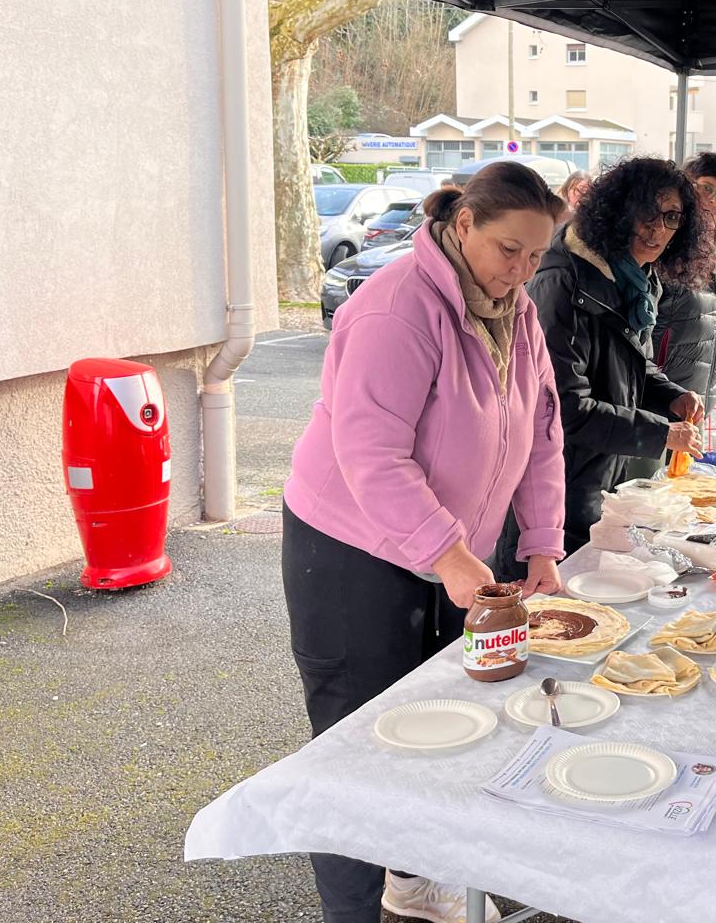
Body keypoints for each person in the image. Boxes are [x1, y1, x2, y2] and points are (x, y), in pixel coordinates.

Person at [281, 161, 568, 923]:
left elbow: (540, 435)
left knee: (444, 718)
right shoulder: (394, 309)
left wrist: (541, 544)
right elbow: (371, 455)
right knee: (356, 741)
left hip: (452, 547)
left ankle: (413, 876)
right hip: (350, 548)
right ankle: (351, 911)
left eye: (539, 256)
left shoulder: (518, 309)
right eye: (511, 250)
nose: (523, 271)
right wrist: (448, 554)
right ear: (464, 224)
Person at [500, 157, 707, 572]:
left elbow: (632, 366)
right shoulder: (564, 281)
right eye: (645, 214)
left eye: (670, 218)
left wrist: (673, 396)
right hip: (554, 488)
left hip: (602, 478)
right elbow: (562, 407)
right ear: (617, 212)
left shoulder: (635, 279)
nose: (656, 230)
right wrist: (660, 433)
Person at [624, 152, 716, 479]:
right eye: (705, 189)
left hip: (695, 406)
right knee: (642, 496)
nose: (714, 202)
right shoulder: (665, 252)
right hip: (654, 404)